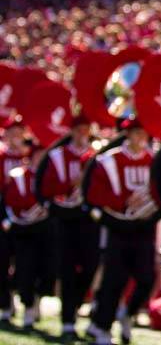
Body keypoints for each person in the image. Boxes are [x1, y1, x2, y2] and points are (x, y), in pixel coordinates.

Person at [85, 118, 159, 345]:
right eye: (137, 134)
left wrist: (150, 204)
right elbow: (94, 194)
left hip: (145, 227)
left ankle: (128, 314)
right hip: (118, 227)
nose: (141, 139)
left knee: (147, 278)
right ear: (128, 135)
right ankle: (103, 328)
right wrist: (124, 201)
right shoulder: (109, 159)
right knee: (113, 279)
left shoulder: (154, 160)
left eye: (144, 134)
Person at [39, 112, 97, 338]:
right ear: (72, 131)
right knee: (66, 267)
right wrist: (70, 184)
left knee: (91, 266)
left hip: (88, 218)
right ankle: (67, 321)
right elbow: (47, 189)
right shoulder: (57, 156)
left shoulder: (96, 154)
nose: (83, 134)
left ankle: (77, 302)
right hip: (65, 217)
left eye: (86, 129)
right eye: (79, 129)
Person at [1, 118, 55, 331]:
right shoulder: (6, 160)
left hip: (40, 226)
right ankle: (8, 304)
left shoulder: (35, 163)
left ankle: (31, 302)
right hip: (13, 219)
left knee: (42, 266)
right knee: (10, 263)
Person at [0, 116, 33, 326]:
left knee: (25, 263)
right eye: (12, 133)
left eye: (19, 133)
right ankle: (4, 304)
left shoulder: (29, 157)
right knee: (2, 260)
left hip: (28, 217)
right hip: (4, 212)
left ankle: (27, 303)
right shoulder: (2, 156)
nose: (15, 137)